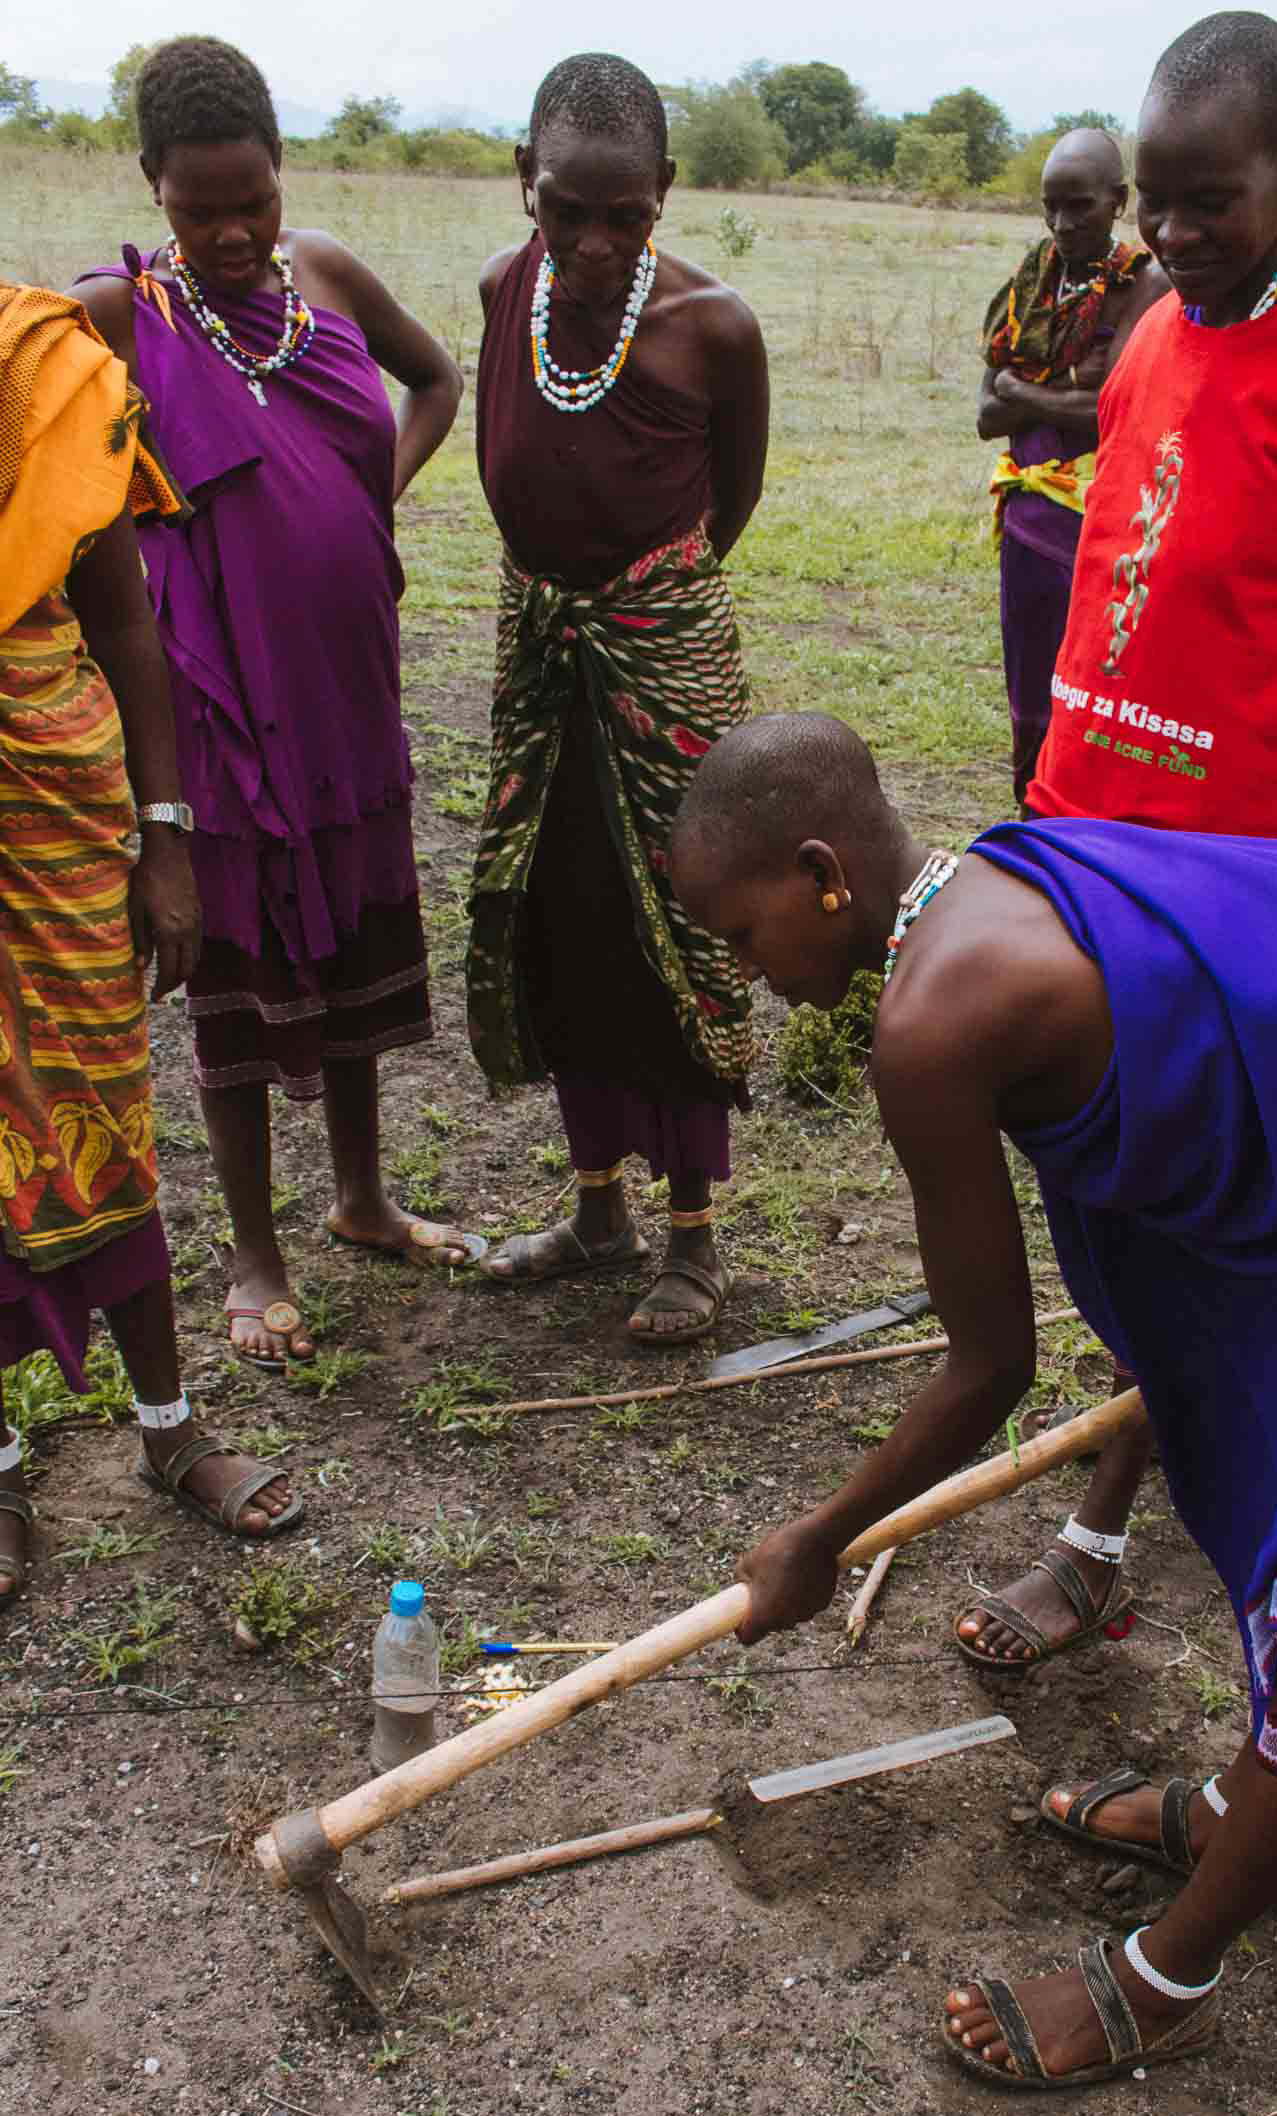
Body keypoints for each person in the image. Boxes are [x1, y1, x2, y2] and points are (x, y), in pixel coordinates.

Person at [668, 710, 1277, 2095]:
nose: (748, 977)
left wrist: (823, 1537)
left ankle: (1168, 1982)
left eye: (741, 938)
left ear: (822, 877)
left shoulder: (931, 1026)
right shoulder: (1006, 867)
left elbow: (988, 1367)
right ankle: (1230, 1808)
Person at [958, 8, 1277, 1679]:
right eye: (1157, 204)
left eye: (1212, 201)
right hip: (1089, 840)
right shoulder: (1153, 339)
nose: (1174, 234)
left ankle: (1101, 1537)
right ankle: (1197, 1435)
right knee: (1109, 1187)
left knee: (1190, 1208)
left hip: (1230, 877)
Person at [77, 36, 478, 1374]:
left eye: (253, 200)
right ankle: (254, 1253)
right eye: (201, 210)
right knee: (240, 958)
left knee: (352, 927)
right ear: (152, 185)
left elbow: (438, 379)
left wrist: (372, 498)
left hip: (349, 683)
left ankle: (362, 1198)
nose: (235, 233)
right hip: (218, 701)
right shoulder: (120, 315)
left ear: (281, 172)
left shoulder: (331, 275)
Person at [0, 280, 300, 1597]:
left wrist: (165, 837)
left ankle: (171, 1432)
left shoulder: (46, 374)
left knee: (107, 1117)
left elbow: (126, 620)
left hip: (63, 814)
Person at [469, 52, 769, 1346]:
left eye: (624, 217)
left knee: (683, 928)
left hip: (661, 662)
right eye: (565, 211)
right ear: (523, 183)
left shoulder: (714, 328)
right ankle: (597, 1209)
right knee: (560, 915)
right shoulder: (505, 291)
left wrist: (638, 610)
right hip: (544, 661)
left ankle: (693, 1233)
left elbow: (728, 506)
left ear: (665, 193)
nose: (593, 244)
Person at [979, 129, 1165, 804]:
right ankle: (1032, 817)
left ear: (1118, 201)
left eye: (1079, 206)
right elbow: (986, 416)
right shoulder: (1030, 286)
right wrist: (1063, 394)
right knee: (1030, 684)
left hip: (1106, 528)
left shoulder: (1147, 285)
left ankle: (1085, 820)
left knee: (1096, 686)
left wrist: (1022, 389)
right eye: (1050, 206)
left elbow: (1113, 412)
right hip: (1028, 523)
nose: (1061, 224)